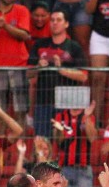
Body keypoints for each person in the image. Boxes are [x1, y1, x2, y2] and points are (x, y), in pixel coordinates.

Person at [28, 8, 88, 139]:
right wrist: (38, 66)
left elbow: (83, 75)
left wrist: (61, 70)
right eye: (52, 20)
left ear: (66, 24)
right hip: (43, 101)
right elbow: (28, 74)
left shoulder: (74, 47)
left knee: (65, 142)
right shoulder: (39, 44)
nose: (55, 23)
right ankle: (44, 161)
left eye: (59, 20)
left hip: (67, 101)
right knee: (42, 143)